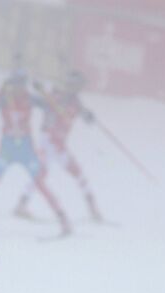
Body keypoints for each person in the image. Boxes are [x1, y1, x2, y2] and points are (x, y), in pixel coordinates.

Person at [0, 70, 71, 236]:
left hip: (26, 149)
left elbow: (53, 108)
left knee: (40, 182)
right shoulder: (5, 98)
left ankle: (63, 220)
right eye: (16, 84)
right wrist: (1, 89)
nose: (19, 88)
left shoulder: (29, 98)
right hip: (7, 148)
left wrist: (42, 91)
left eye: (22, 84)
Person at [14, 71, 101, 222]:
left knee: (41, 173)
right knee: (77, 173)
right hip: (52, 141)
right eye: (75, 86)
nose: (77, 89)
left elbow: (82, 113)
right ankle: (93, 209)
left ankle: (21, 204)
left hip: (55, 141)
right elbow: (41, 102)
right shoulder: (57, 96)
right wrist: (34, 92)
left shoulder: (74, 101)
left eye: (78, 87)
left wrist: (89, 116)